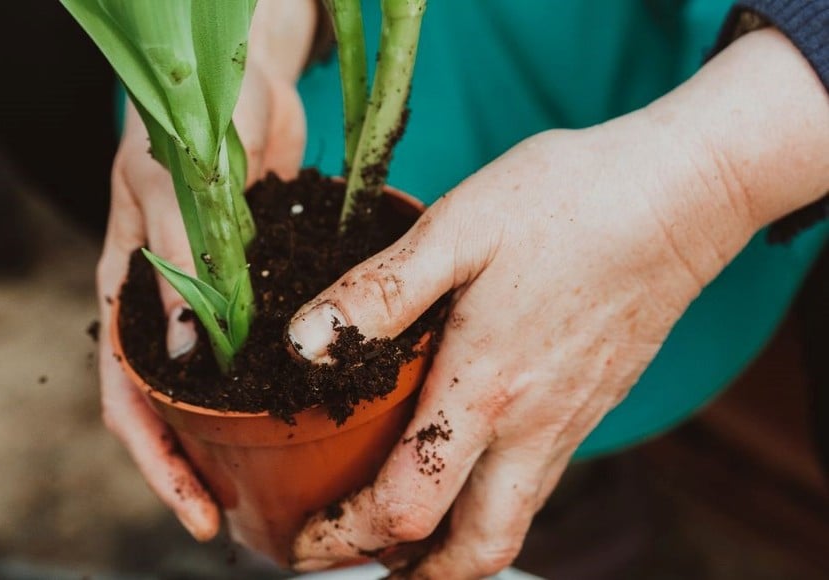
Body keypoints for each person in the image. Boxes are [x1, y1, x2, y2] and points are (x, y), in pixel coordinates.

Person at [96, 1, 829, 577]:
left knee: (528, 460)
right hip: (318, 94)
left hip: (710, 100)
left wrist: (705, 184)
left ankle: (569, 510)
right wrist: (242, 28)